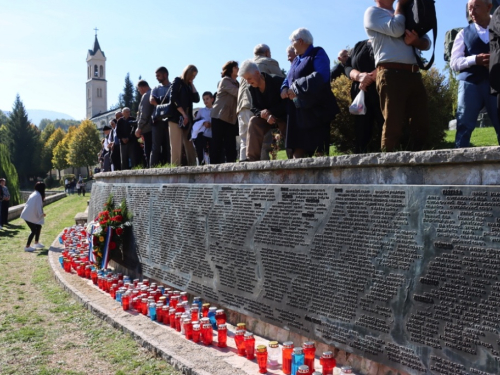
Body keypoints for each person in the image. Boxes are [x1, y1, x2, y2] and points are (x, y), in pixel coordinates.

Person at [364, 0, 431, 152]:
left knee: (421, 121)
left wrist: (417, 41)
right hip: (390, 73)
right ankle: (388, 161)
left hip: (413, 73)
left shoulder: (405, 13)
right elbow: (396, 29)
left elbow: (427, 42)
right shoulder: (373, 12)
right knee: (393, 123)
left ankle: (421, 160)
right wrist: (401, 5)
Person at [281, 28, 339, 158]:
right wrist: (284, 88)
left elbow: (321, 76)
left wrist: (295, 87)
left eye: (292, 42)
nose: (291, 46)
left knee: (319, 150)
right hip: (298, 112)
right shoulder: (296, 60)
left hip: (316, 111)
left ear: (300, 41)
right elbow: (288, 78)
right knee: (298, 150)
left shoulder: (317, 53)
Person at [452, 0, 500, 148]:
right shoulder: (463, 33)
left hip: (497, 83)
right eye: (470, 8)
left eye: (476, 7)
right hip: (470, 84)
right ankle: (458, 164)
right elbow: (454, 63)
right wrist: (475, 60)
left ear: (489, 7)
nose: (472, 12)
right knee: (464, 125)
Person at [237, 45, 284, 162]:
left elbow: (285, 103)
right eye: (245, 79)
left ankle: (293, 155)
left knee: (285, 123)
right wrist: (263, 114)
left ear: (258, 73)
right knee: (253, 122)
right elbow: (254, 107)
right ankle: (251, 159)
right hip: (266, 116)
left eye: (249, 78)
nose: (247, 82)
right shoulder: (251, 88)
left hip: (281, 113)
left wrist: (271, 112)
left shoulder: (276, 81)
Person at [345, 39, 385, 153]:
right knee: (361, 131)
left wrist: (369, 78)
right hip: (360, 94)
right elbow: (347, 67)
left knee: (385, 126)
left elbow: (391, 61)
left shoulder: (388, 40)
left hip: (382, 90)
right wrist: (359, 76)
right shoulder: (359, 45)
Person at [166, 65, 200, 166]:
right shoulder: (177, 81)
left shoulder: (188, 85)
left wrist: (192, 84)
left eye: (195, 76)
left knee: (189, 143)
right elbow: (173, 99)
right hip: (176, 117)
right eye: (192, 75)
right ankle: (175, 168)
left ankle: (193, 165)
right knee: (176, 145)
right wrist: (183, 114)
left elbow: (196, 99)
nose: (193, 77)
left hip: (187, 118)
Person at [211, 61, 240, 164]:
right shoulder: (225, 81)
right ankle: (213, 167)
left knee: (231, 144)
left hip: (231, 118)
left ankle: (231, 165)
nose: (238, 68)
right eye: (236, 67)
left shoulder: (237, 83)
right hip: (219, 117)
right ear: (230, 69)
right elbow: (238, 93)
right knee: (217, 143)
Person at [150, 67, 171, 167]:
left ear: (165, 75)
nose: (157, 78)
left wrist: (159, 103)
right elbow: (152, 100)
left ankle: (170, 166)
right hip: (157, 120)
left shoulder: (172, 87)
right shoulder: (156, 88)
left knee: (168, 145)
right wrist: (162, 104)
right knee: (156, 147)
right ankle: (153, 168)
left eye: (158, 75)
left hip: (169, 120)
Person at [20, 182, 46, 252]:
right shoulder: (38, 196)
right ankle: (27, 246)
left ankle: (36, 243)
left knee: (38, 226)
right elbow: (38, 207)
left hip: (27, 214)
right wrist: (41, 214)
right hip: (28, 215)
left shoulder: (35, 193)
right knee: (34, 230)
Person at [135, 80, 154, 167]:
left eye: (139, 90)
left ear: (142, 87)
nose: (139, 92)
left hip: (147, 128)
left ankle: (150, 166)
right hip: (153, 126)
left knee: (148, 150)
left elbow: (144, 113)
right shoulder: (154, 93)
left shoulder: (146, 95)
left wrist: (139, 127)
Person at [192, 92, 214, 165]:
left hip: (213, 135)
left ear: (212, 99)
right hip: (203, 135)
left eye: (207, 99)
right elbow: (196, 121)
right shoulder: (201, 111)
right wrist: (203, 122)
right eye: (204, 99)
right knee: (202, 152)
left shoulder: (216, 110)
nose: (205, 101)